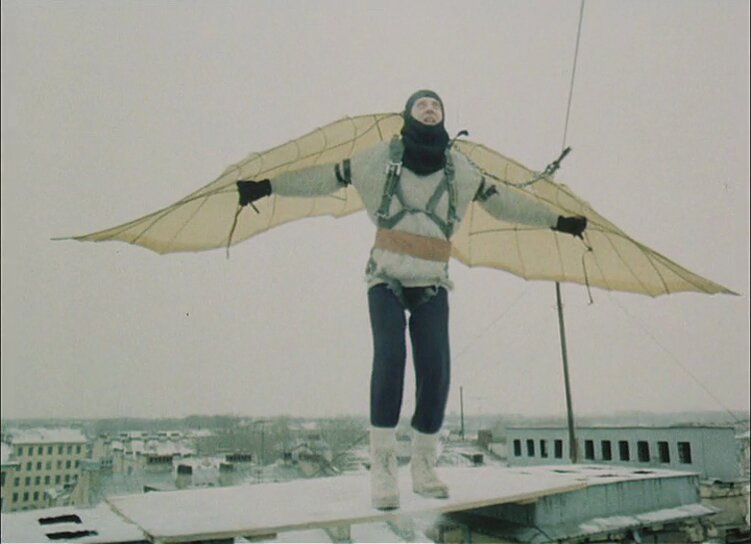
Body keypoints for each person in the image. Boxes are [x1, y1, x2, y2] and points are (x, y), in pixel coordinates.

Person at [237, 90, 586, 510]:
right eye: (422, 104)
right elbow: (325, 177)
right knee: (390, 357)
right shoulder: (380, 158)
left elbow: (507, 204)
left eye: (436, 105)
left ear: (444, 117)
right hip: (385, 277)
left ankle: (423, 464)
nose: (430, 109)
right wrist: (267, 186)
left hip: (432, 281)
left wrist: (557, 221)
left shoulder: (461, 169)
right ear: (408, 114)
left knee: (436, 369)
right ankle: (383, 467)